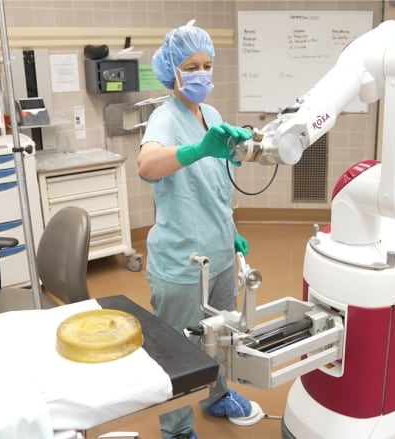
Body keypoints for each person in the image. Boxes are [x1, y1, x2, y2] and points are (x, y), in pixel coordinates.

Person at [137, 21, 259, 439]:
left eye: (208, 65)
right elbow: (148, 165)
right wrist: (196, 149)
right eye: (192, 66)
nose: (202, 73)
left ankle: (217, 394)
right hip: (182, 259)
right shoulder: (163, 118)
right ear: (173, 71)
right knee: (179, 350)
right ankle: (176, 428)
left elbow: (218, 185)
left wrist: (232, 230)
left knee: (220, 334)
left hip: (221, 252)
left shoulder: (211, 114)